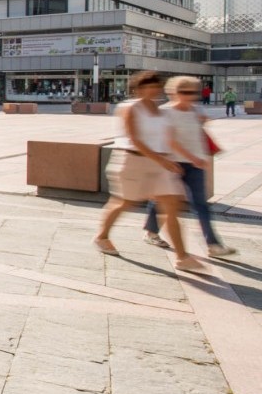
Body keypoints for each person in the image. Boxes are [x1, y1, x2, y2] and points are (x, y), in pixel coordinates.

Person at [94, 71, 203, 271]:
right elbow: (135, 139)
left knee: (172, 206)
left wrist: (185, 158)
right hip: (133, 160)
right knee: (124, 203)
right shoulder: (129, 107)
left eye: (156, 86)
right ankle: (102, 236)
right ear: (138, 88)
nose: (153, 90)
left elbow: (169, 138)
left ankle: (182, 256)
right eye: (148, 86)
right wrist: (162, 160)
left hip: (161, 163)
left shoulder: (161, 110)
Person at [143, 77, 234, 259]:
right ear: (173, 92)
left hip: (195, 164)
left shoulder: (195, 110)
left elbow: (198, 134)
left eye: (193, 92)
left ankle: (213, 244)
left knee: (200, 204)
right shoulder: (165, 112)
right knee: (165, 201)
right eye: (184, 92)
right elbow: (170, 141)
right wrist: (193, 157)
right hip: (172, 163)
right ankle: (151, 231)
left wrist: (203, 154)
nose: (189, 96)